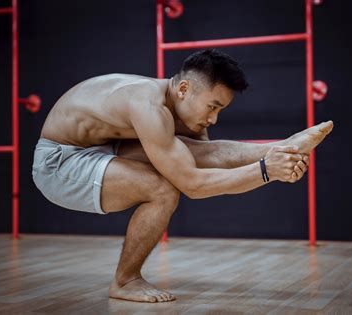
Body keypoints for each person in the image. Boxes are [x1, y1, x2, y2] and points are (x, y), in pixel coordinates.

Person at [32, 49, 333, 303]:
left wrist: (279, 155)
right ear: (185, 89)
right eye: (212, 107)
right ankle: (125, 281)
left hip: (100, 147)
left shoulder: (176, 104)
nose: (213, 118)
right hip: (58, 162)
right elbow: (193, 185)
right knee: (162, 189)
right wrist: (268, 171)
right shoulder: (148, 105)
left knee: (189, 156)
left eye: (220, 110)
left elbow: (205, 158)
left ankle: (284, 143)